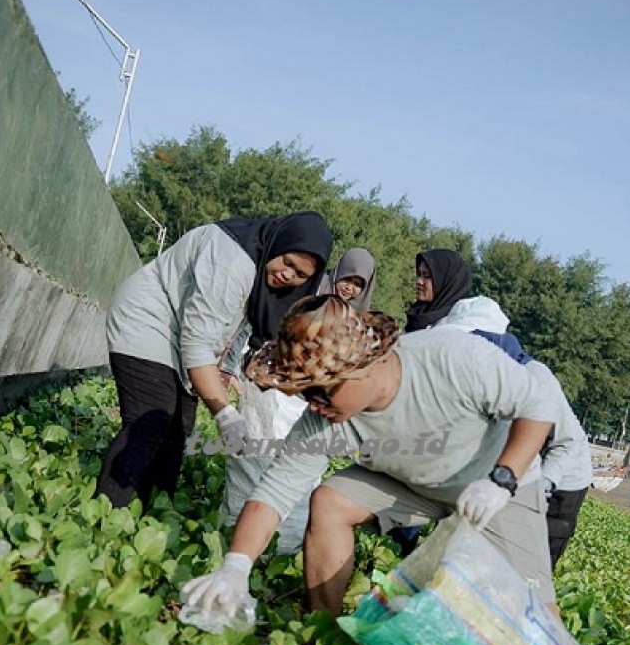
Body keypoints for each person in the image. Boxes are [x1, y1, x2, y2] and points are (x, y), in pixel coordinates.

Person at [180, 294, 565, 624]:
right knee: (330, 502)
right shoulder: (324, 418)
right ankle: (323, 631)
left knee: (536, 609)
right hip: (413, 484)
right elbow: (273, 493)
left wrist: (502, 479)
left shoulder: (451, 356)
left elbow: (538, 404)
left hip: (494, 486)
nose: (315, 405)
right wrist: (236, 566)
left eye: (322, 391)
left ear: (362, 366)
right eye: (306, 393)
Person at [97, 213, 333, 509]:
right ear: (279, 245)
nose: (288, 276)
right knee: (151, 419)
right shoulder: (234, 260)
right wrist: (225, 414)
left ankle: (152, 513)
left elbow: (244, 325)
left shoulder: (263, 267)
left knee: (178, 429)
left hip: (181, 331)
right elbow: (196, 343)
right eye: (288, 263)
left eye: (300, 275)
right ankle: (105, 514)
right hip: (149, 318)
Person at [221, 247, 378, 554]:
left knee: (297, 473)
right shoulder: (308, 296)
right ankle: (237, 537)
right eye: (347, 279)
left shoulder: (359, 324)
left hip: (312, 404)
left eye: (358, 284)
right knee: (253, 458)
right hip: (275, 392)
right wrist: (236, 367)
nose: (349, 288)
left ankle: (282, 549)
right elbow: (266, 328)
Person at [434, 296, 593, 569]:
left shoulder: (535, 376)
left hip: (563, 479)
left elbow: (567, 443)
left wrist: (539, 488)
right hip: (519, 468)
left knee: (531, 561)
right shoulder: (482, 373)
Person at [389, 248, 475, 553]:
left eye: (427, 276)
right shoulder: (417, 319)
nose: (419, 281)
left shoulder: (456, 330)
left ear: (447, 283)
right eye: (419, 274)